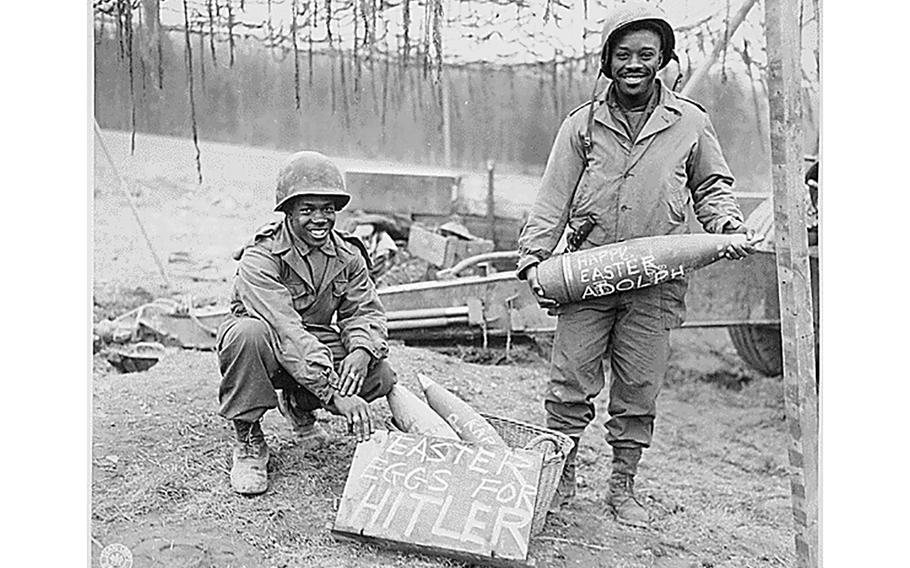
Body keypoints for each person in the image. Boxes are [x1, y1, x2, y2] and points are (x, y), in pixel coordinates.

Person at [516, 1, 758, 527]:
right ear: (607, 62)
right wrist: (535, 257)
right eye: (623, 54)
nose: (634, 64)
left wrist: (725, 227)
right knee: (569, 383)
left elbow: (712, 186)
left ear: (663, 60)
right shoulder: (582, 126)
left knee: (638, 389)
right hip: (588, 276)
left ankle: (622, 486)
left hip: (657, 284)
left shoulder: (690, 123)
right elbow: (552, 197)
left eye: (646, 54)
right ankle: (561, 478)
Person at [217, 151, 395, 495]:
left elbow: (365, 311)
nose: (320, 219)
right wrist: (333, 391)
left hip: (309, 345)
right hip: (268, 343)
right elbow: (285, 329)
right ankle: (249, 438)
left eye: (327, 209)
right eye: (307, 210)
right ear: (287, 212)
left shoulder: (347, 255)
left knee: (379, 374)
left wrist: (360, 350)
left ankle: (299, 404)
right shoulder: (261, 257)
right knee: (246, 335)